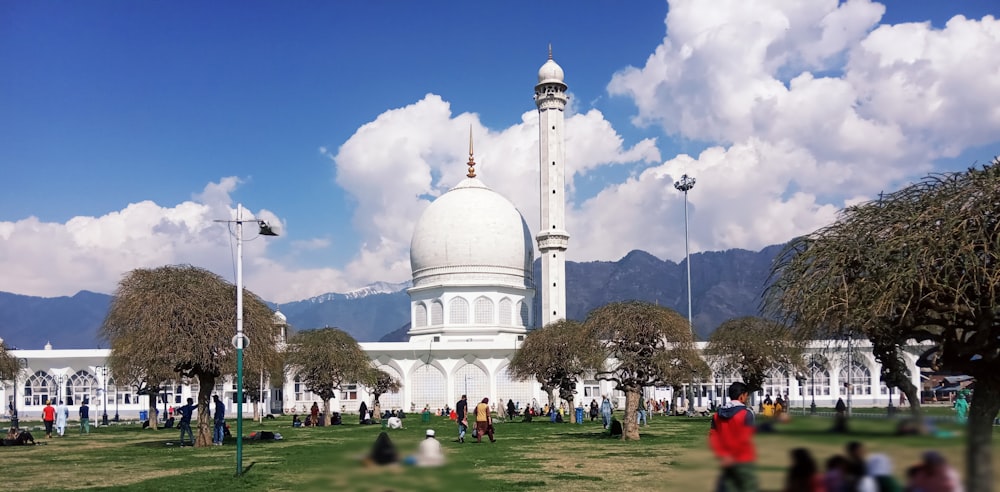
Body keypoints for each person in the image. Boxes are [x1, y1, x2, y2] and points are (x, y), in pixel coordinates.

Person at [709, 381, 758, 492]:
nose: (746, 398)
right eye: (746, 396)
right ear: (741, 396)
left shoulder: (717, 415)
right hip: (743, 459)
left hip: (725, 459)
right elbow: (746, 437)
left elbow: (713, 438)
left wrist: (724, 455)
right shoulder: (747, 413)